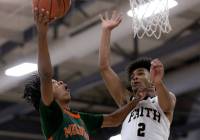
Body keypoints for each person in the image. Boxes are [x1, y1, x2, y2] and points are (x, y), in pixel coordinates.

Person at [23, 8, 141, 140]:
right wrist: (42, 34)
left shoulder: (80, 118)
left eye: (57, 81)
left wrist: (137, 100)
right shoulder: (50, 114)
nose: (60, 82)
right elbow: (45, 74)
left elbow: (114, 119)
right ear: (46, 93)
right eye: (54, 83)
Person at [99, 11, 176, 140]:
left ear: (151, 77)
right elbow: (104, 68)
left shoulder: (162, 99)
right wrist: (106, 32)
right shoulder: (127, 101)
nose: (134, 77)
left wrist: (158, 82)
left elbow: (167, 106)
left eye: (140, 73)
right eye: (132, 76)